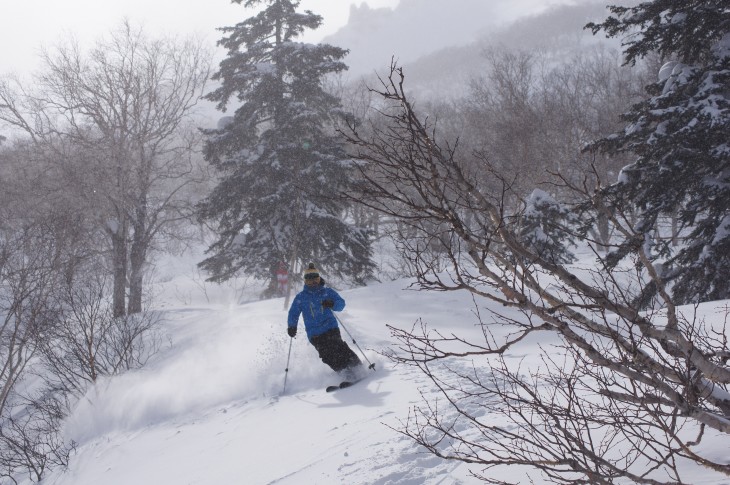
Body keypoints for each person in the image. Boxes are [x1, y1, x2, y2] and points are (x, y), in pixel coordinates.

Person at [287, 263, 362, 379]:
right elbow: (293, 313)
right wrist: (292, 326)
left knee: (338, 347)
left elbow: (341, 304)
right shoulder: (301, 297)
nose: (313, 283)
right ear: (305, 281)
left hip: (330, 327)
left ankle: (357, 367)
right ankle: (344, 372)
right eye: (310, 281)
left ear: (319, 278)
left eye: (315, 280)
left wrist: (332, 304)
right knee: (326, 355)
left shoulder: (327, 292)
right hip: (314, 333)